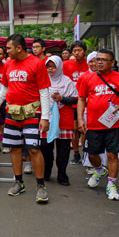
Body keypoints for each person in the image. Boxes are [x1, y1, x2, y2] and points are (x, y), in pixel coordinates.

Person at [0, 34, 52, 203]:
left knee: (34, 149)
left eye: (9, 48)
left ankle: (40, 186)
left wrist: (45, 117)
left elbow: (44, 92)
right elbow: (4, 89)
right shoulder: (8, 64)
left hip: (32, 113)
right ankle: (19, 182)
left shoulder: (37, 64)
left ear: (19, 48)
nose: (6, 51)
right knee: (14, 148)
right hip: (12, 112)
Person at [77, 49, 119, 201]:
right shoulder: (86, 78)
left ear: (112, 63)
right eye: (97, 59)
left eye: (103, 60)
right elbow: (81, 99)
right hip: (93, 124)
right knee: (93, 154)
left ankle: (111, 183)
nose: (99, 62)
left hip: (114, 124)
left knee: (112, 154)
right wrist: (81, 119)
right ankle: (99, 170)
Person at [40, 55, 77, 186]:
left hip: (64, 118)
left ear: (59, 67)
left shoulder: (67, 81)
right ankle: (46, 170)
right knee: (45, 146)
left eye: (53, 67)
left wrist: (62, 98)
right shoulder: (42, 79)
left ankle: (62, 174)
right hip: (47, 118)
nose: (50, 69)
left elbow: (75, 99)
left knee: (63, 149)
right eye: (48, 67)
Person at [64, 41, 90, 165]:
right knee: (74, 129)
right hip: (72, 101)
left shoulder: (89, 64)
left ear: (84, 51)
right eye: (74, 51)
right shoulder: (66, 65)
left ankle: (86, 151)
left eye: (79, 50)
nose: (77, 53)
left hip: (87, 102)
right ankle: (76, 153)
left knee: (85, 129)